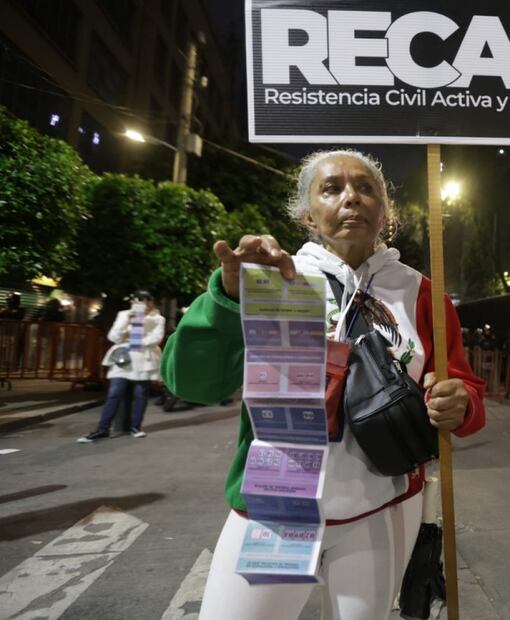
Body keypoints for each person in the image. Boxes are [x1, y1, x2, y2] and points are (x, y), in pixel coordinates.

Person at [161, 149, 486, 620]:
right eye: (332, 189)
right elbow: (192, 383)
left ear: (384, 212)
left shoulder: (423, 294)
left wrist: (459, 403)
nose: (351, 198)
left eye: (365, 188)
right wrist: (228, 298)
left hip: (383, 503)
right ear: (307, 215)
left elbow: (464, 388)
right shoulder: (273, 277)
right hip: (280, 500)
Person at [78, 291, 165, 442]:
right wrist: (127, 322)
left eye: (143, 300)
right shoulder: (124, 314)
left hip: (144, 360)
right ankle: (103, 429)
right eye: (135, 300)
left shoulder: (157, 318)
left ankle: (135, 427)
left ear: (150, 302)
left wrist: (133, 340)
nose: (139, 303)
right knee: (114, 393)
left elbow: (155, 338)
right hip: (123, 358)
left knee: (140, 395)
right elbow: (113, 337)